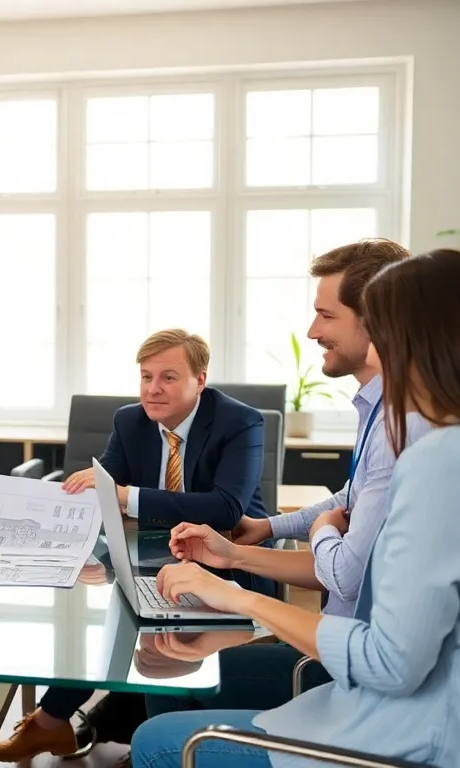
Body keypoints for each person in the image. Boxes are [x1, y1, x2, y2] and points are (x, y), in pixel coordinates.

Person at [131, 248, 460, 768]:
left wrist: (240, 599)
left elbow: (387, 661)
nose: (317, 331)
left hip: (414, 741)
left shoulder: (446, 460)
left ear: (397, 337)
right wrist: (237, 561)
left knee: (160, 741)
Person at [131, 240, 432, 744]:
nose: (312, 331)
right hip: (344, 656)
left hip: (353, 676)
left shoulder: (404, 424)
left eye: (325, 315)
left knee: (159, 731)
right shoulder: (381, 410)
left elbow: (342, 570)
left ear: (376, 319)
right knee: (169, 657)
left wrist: (307, 535)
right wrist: (242, 549)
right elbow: (349, 501)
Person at [0, 329, 270, 764]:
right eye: (145, 376)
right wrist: (80, 528)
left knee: (155, 635)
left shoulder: (240, 422)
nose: (153, 389)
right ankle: (57, 723)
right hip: (147, 551)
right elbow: (106, 493)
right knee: (99, 609)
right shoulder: (130, 420)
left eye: (168, 377)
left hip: (226, 559)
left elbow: (226, 509)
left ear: (201, 379)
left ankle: (150, 749)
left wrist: (127, 497)